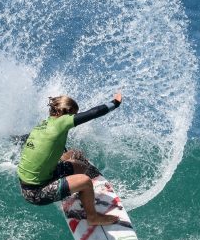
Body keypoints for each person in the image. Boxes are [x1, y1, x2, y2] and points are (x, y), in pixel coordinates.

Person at [17, 92, 123, 225]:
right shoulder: (62, 122)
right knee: (85, 181)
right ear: (67, 113)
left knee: (79, 164)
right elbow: (93, 112)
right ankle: (93, 217)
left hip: (34, 179)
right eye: (74, 114)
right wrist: (115, 103)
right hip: (36, 192)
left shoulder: (43, 125)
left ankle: (80, 191)